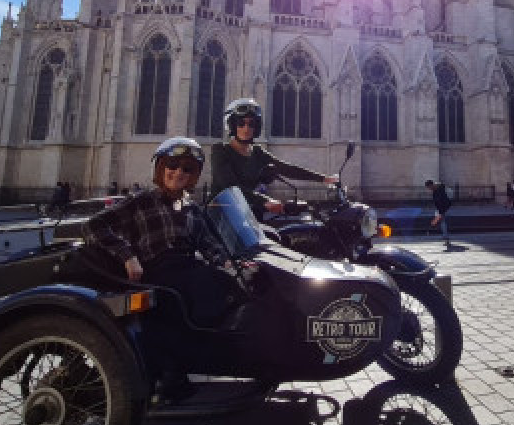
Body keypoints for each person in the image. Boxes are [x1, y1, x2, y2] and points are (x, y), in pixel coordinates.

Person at [84, 137, 235, 403]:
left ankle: (200, 360)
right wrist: (127, 255)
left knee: (223, 285)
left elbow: (208, 243)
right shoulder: (142, 200)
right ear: (161, 168)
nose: (178, 173)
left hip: (186, 267)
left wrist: (226, 262)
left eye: (187, 169)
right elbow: (95, 225)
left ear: (193, 176)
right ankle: (171, 374)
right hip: (156, 269)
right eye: (173, 165)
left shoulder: (190, 208)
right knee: (192, 292)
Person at [209, 98, 339, 219]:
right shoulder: (220, 150)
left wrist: (324, 178)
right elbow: (230, 186)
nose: (246, 128)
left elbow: (285, 168)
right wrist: (264, 201)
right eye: (241, 123)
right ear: (232, 126)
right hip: (221, 215)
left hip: (247, 214)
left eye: (251, 124)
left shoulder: (257, 152)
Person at [426, 179, 453, 251]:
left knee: (443, 223)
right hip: (440, 209)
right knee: (441, 222)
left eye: (429, 187)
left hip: (444, 209)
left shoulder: (440, 190)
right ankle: (445, 238)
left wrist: (442, 212)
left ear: (431, 185)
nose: (429, 189)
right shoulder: (435, 190)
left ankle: (446, 239)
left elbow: (443, 201)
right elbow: (437, 202)